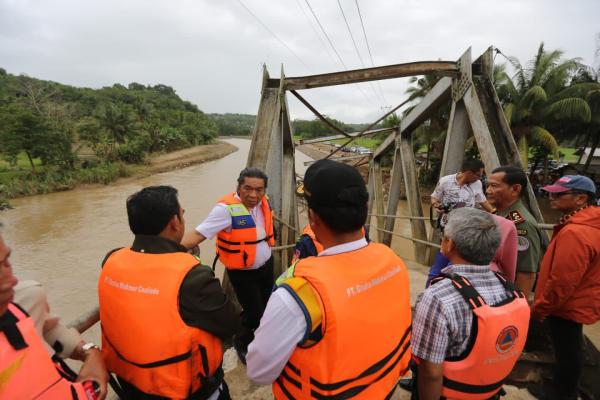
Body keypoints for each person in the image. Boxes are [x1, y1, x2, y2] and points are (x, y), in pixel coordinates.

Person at [246, 159, 412, 399]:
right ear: (365, 206)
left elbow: (258, 372)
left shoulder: (300, 292)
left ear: (312, 217)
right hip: (381, 388)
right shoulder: (393, 261)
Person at [99, 186, 240, 399]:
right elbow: (230, 323)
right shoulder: (193, 277)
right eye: (182, 214)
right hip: (186, 390)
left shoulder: (111, 260)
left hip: (130, 385)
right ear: (174, 222)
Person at [411, 208, 530, 400]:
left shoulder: (437, 297)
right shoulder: (511, 291)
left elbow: (431, 373)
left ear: (449, 244)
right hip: (488, 390)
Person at [0, 228, 108, 399]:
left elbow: (48, 329)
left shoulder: (24, 296)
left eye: (6, 262)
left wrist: (90, 352)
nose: (11, 280)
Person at [181, 167, 275, 364]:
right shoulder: (225, 210)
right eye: (248, 188)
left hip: (265, 265)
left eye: (259, 190)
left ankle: (262, 336)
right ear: (239, 187)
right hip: (243, 272)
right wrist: (165, 248)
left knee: (267, 305)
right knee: (254, 312)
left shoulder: (263, 203)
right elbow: (199, 234)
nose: (253, 195)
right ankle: (241, 340)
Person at [528, 175, 600, 400]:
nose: (551, 198)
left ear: (580, 198)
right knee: (570, 348)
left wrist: (542, 307)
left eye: (559, 194)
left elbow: (562, 280)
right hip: (580, 298)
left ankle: (562, 393)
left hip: (567, 304)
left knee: (567, 352)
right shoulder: (588, 224)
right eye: (550, 193)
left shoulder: (575, 232)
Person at [485, 166, 544, 299]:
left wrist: (515, 306)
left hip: (503, 296)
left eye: (494, 186)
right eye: (488, 185)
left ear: (515, 189)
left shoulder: (521, 224)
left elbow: (526, 273)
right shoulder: (500, 214)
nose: (488, 190)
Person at [430, 159, 495, 216]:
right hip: (447, 223)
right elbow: (434, 197)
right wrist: (436, 205)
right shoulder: (445, 181)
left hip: (467, 224)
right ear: (469, 173)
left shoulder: (477, 183)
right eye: (478, 175)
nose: (479, 178)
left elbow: (483, 201)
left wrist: (494, 213)